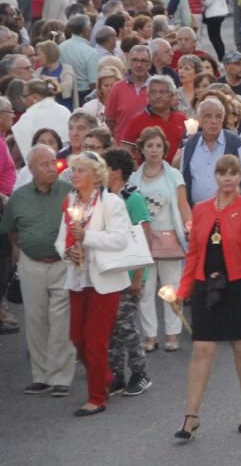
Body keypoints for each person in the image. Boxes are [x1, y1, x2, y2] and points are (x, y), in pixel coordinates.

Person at [171, 155, 241, 440]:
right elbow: (192, 254)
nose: (227, 179)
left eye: (233, 174)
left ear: (240, 177)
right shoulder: (201, 210)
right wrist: (183, 290)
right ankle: (190, 416)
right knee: (202, 348)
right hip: (207, 285)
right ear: (214, 177)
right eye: (222, 173)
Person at [55, 151, 132, 417]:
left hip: (104, 280)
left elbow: (121, 239)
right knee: (76, 337)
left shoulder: (111, 203)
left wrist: (86, 237)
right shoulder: (70, 201)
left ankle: (97, 397)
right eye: (73, 170)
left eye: (80, 170)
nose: (74, 175)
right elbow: (60, 237)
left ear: (95, 175)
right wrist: (67, 252)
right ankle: (106, 378)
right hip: (78, 277)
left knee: (94, 340)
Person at [1, 144, 74, 397]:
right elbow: (10, 227)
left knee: (61, 322)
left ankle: (61, 377)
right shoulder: (19, 197)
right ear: (31, 169)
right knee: (35, 320)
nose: (51, 168)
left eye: (53, 162)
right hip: (31, 264)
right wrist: (17, 249)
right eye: (44, 164)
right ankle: (41, 376)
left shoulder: (69, 192)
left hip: (62, 264)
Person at [130, 126, 192, 352]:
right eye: (149, 146)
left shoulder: (173, 175)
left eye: (158, 145)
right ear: (142, 149)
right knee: (146, 289)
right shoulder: (134, 178)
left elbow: (183, 205)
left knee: (171, 286)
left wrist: (189, 226)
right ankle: (150, 335)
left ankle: (173, 333)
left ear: (164, 148)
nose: (154, 150)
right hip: (144, 241)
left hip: (169, 238)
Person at [102, 148, 153, 397]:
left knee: (125, 324)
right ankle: (116, 374)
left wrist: (137, 276)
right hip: (111, 272)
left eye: (105, 167)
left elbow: (144, 236)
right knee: (112, 325)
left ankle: (139, 372)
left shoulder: (132, 198)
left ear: (117, 171)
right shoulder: (103, 197)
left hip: (130, 272)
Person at [179, 98, 241, 205]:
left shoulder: (236, 144)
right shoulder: (190, 144)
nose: (213, 121)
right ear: (200, 121)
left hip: (230, 211)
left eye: (218, 116)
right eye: (208, 116)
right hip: (197, 212)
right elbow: (183, 177)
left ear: (223, 119)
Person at [119, 76, 188, 161]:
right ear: (148, 96)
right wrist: (138, 170)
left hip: (178, 172)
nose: (157, 96)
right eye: (153, 92)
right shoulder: (137, 121)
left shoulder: (182, 119)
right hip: (147, 172)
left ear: (172, 95)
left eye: (162, 92)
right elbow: (125, 150)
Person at [104, 44, 152, 140]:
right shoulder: (117, 88)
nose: (139, 65)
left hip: (150, 148)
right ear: (129, 62)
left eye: (143, 61)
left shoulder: (157, 88)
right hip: (123, 148)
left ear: (150, 64)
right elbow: (110, 120)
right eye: (135, 60)